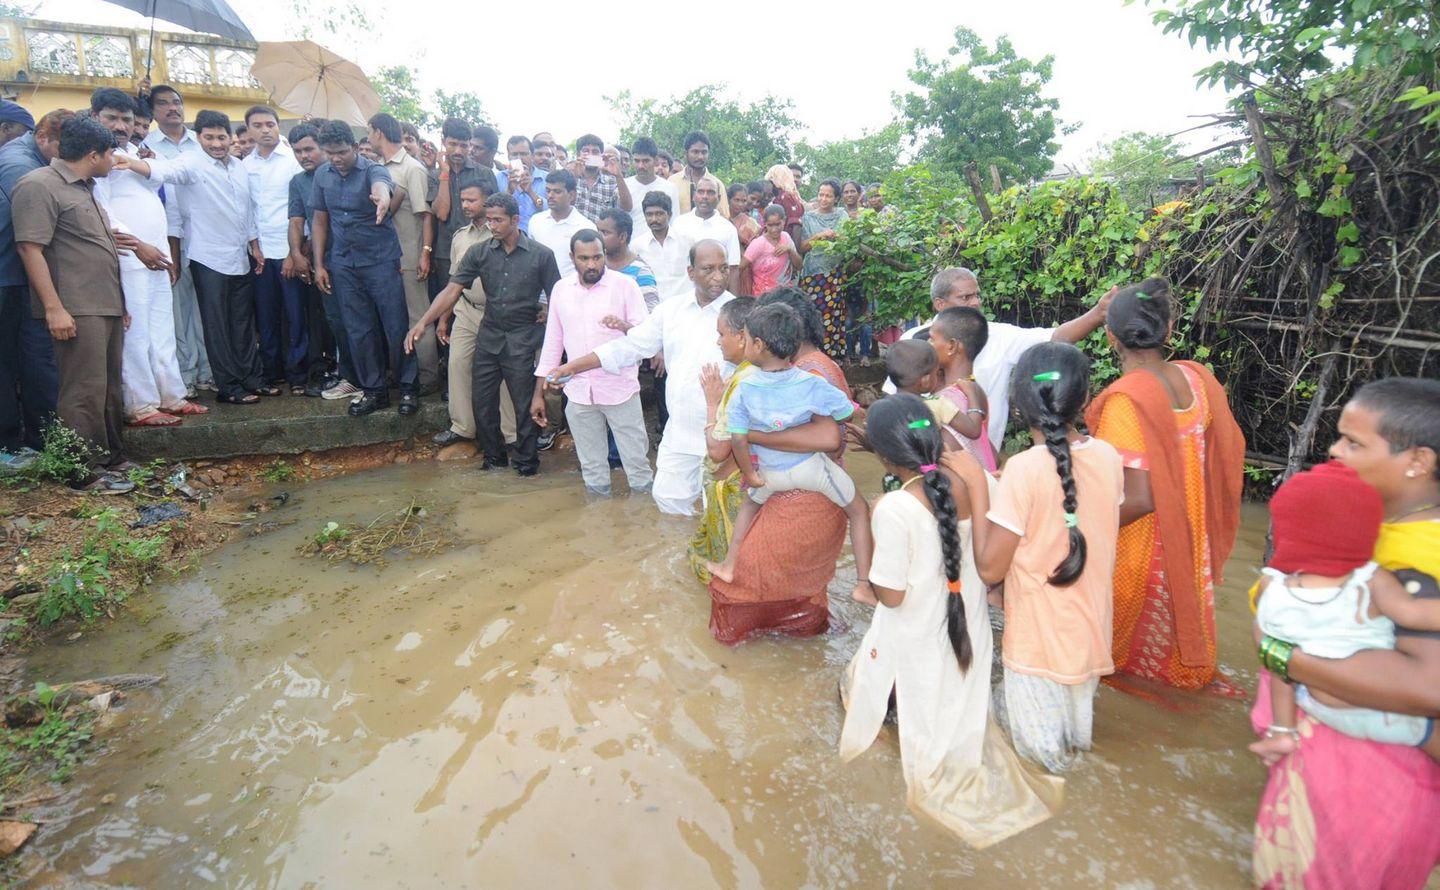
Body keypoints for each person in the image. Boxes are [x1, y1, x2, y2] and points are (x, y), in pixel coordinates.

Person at [839, 392, 1063, 847]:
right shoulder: (981, 484)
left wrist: (866, 585)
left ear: (883, 455)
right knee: (953, 710)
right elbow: (989, 560)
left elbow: (893, 597)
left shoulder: (894, 508)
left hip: (914, 635)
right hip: (969, 630)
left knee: (866, 694)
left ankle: (887, 740)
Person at [1251, 378, 1440, 888]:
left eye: (1354, 443)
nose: (1334, 451)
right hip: (1335, 756)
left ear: (1418, 461)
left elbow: (1428, 687)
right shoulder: (1369, 526)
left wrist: (1281, 655)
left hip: (1375, 783)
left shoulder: (1423, 555)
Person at [948, 342, 1123, 772]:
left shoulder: (1025, 469)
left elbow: (990, 568)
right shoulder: (1108, 456)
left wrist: (976, 482)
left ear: (1017, 403)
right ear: (1085, 397)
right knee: (1073, 755)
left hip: (1037, 650)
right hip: (1089, 642)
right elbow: (1068, 510)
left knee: (1038, 769)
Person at [1088, 278, 1245, 692]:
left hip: (1141, 540)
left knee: (1117, 667)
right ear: (1169, 330)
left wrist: (1077, 527)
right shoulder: (1196, 379)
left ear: (1110, 336)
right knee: (1172, 659)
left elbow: (1140, 497)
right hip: (1189, 534)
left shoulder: (1126, 398)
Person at [1249, 461, 1440, 764]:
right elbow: (1412, 613)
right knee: (1432, 733)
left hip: (1315, 702)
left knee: (1279, 661)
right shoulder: (1371, 577)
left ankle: (1282, 732)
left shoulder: (1273, 586)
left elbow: (1269, 645)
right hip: (1373, 711)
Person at [706, 286, 855, 643]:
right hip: (796, 490)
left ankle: (751, 659)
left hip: (804, 497)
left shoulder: (811, 372)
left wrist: (753, 436)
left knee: (742, 584)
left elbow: (829, 439)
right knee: (787, 589)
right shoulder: (791, 371)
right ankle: (803, 650)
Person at [546, 240, 733, 514]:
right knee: (668, 502)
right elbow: (629, 346)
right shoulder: (671, 311)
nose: (718, 276)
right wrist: (574, 367)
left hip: (723, 432)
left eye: (723, 268)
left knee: (719, 511)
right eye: (709, 269)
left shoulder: (740, 314)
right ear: (691, 272)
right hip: (679, 433)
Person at [12, 116, 136, 493]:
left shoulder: (84, 187)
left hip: (104, 303)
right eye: (112, 151)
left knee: (108, 386)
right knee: (82, 389)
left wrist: (121, 303)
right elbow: (29, 248)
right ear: (93, 154)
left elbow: (94, 249)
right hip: (75, 306)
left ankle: (110, 457)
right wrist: (53, 308)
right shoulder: (38, 186)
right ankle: (79, 470)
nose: (115, 159)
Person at [407, 192, 560, 475]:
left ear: (515, 220)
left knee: (523, 403)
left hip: (523, 338)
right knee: (483, 402)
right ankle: (493, 460)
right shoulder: (479, 252)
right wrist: (423, 322)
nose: (492, 225)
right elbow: (452, 290)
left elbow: (559, 299)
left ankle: (527, 465)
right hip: (489, 337)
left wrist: (551, 321)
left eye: (498, 220)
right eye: (489, 220)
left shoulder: (542, 256)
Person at [884, 267, 1114, 451]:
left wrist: (1098, 313)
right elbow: (894, 400)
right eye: (965, 297)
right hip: (926, 461)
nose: (975, 302)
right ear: (940, 304)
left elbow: (1056, 337)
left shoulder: (997, 335)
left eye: (976, 295)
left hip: (984, 461)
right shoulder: (912, 339)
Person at [89, 89, 205, 428]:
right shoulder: (95, 156)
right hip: (128, 255)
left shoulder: (133, 152)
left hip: (156, 254)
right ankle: (140, 405)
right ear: (95, 116)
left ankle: (171, 395)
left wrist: (140, 162)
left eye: (127, 119)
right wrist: (139, 245)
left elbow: (185, 171)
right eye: (113, 118)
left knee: (162, 328)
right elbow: (102, 213)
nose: (121, 126)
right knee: (136, 333)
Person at [532, 230, 653, 496]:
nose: (591, 264)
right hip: (578, 393)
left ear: (604, 255)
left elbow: (645, 339)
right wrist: (538, 393)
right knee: (592, 467)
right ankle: (600, 524)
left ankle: (644, 521)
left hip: (620, 389)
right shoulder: (561, 290)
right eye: (584, 258)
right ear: (572, 258)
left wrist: (623, 326)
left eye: (597, 257)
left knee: (637, 464)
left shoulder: (625, 286)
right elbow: (553, 343)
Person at [310, 120, 418, 417]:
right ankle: (374, 391)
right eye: (330, 153)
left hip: (380, 261)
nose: (336, 158)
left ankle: (408, 388)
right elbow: (320, 220)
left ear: (356, 147)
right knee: (358, 330)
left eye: (342, 152)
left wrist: (381, 199)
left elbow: (383, 186)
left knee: (395, 325)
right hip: (343, 264)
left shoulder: (373, 169)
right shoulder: (322, 175)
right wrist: (319, 264)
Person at [166, 110, 273, 406]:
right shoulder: (190, 163)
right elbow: (166, 174)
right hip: (207, 258)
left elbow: (247, 210)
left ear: (231, 137)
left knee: (242, 322)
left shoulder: (239, 167)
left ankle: (253, 378)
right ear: (198, 138)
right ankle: (229, 387)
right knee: (217, 326)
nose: (216, 143)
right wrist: (133, 162)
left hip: (239, 256)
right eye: (209, 137)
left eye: (221, 136)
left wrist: (255, 246)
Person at [428, 183, 517, 451]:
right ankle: (463, 427)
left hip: (497, 314)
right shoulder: (459, 237)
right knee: (457, 364)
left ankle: (511, 433)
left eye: (472, 200)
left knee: (504, 372)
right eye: (463, 200)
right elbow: (453, 284)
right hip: (466, 310)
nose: (466, 205)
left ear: (487, 201)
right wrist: (444, 319)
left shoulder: (502, 235)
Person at [0, 108, 66, 455]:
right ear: (40, 137)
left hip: (17, 274)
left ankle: (32, 438)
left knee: (27, 359)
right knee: (11, 362)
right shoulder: (18, 165)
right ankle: (10, 445)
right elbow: (38, 224)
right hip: (8, 275)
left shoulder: (28, 156)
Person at [143, 84, 213, 397]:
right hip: (165, 240)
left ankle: (208, 372)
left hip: (205, 237)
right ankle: (185, 373)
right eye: (163, 103)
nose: (172, 108)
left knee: (205, 309)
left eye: (176, 102)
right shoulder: (145, 146)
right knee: (177, 310)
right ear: (152, 111)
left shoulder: (201, 143)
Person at [285, 121, 356, 401]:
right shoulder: (298, 182)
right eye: (298, 151)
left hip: (350, 259)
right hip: (321, 264)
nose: (304, 156)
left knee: (356, 321)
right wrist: (297, 254)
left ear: (323, 148)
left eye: (310, 149)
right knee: (332, 321)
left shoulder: (341, 174)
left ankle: (363, 375)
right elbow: (296, 220)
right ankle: (341, 374)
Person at [689, 296, 759, 580]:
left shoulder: (741, 382)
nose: (718, 342)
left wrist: (712, 403)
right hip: (763, 484)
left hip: (738, 489)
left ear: (742, 338)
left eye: (721, 334)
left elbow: (718, 451)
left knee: (728, 569)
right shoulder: (765, 371)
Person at [369, 113, 437, 394]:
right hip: (385, 256)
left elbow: (425, 216)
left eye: (370, 133)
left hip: (409, 255)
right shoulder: (377, 169)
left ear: (377, 133)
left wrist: (425, 253)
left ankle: (429, 377)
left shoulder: (412, 168)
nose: (369, 139)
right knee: (394, 319)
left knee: (417, 315)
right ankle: (405, 375)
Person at [241, 105, 307, 394]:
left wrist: (296, 253)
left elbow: (301, 212)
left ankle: (299, 375)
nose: (265, 130)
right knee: (265, 317)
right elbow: (247, 211)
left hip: (289, 251)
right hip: (260, 254)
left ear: (278, 126)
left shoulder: (293, 161)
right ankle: (272, 371)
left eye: (270, 124)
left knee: (296, 316)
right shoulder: (244, 166)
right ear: (249, 130)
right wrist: (254, 245)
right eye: (258, 125)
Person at [431, 119, 499, 301]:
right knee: (447, 305)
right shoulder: (435, 175)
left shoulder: (484, 173)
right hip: (447, 252)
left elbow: (496, 212)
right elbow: (442, 213)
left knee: (479, 301)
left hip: (483, 249)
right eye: (452, 144)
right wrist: (444, 174)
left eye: (464, 145)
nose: (458, 151)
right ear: (443, 142)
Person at [928, 307, 997, 471]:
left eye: (931, 339)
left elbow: (945, 460)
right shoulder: (974, 389)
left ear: (952, 346)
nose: (928, 345)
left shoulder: (949, 399)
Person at [798, 178, 852, 358]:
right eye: (821, 194)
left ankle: (832, 356)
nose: (824, 199)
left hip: (835, 274)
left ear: (836, 198)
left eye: (828, 196)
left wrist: (837, 237)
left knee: (835, 315)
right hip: (813, 276)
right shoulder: (808, 217)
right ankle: (812, 355)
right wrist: (820, 236)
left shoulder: (842, 215)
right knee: (813, 315)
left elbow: (849, 242)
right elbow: (803, 247)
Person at [671, 176, 740, 294]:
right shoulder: (679, 224)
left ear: (718, 198)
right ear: (694, 196)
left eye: (710, 192)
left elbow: (733, 269)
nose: (705, 196)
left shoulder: (728, 229)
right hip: (681, 295)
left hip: (713, 297)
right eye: (701, 192)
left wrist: (733, 305)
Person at [528, 170, 596, 279]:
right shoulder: (535, 221)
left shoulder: (585, 227)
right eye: (548, 190)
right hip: (538, 291)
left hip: (572, 291)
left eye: (557, 191)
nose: (550, 195)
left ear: (572, 195)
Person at [633, 191, 691, 302]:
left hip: (683, 305)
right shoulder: (637, 246)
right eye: (649, 214)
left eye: (659, 214)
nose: (654, 219)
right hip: (652, 307)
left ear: (669, 215)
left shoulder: (687, 242)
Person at [740, 204, 799, 296]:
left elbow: (799, 266)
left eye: (778, 224)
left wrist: (790, 249)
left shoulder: (786, 237)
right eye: (770, 225)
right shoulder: (758, 244)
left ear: (784, 221)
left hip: (784, 293)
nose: (774, 229)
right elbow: (740, 268)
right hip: (763, 296)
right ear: (765, 224)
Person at [625, 137, 679, 236]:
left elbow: (674, 223)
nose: (640, 166)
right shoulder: (624, 186)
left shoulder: (670, 188)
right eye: (637, 161)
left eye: (645, 161)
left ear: (655, 160)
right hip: (631, 247)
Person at [668, 130, 729, 216]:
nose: (700, 157)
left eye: (704, 152)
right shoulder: (672, 182)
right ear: (685, 153)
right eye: (695, 152)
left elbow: (723, 217)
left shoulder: (717, 184)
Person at [571, 134, 630, 219]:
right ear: (578, 154)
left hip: (599, 231)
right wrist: (574, 178)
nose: (590, 155)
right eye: (586, 151)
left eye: (595, 152)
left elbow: (627, 208)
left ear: (601, 155)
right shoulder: (568, 178)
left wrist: (618, 175)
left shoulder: (611, 182)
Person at [497, 135, 547, 233]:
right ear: (508, 157)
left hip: (536, 237)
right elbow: (496, 211)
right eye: (514, 154)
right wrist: (509, 191)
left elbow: (546, 209)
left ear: (532, 156)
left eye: (524, 154)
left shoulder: (545, 178)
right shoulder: (499, 178)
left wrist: (531, 192)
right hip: (508, 236)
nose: (519, 158)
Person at [763, 164, 805, 244]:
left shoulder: (786, 197)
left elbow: (795, 224)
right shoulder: (778, 196)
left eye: (772, 177)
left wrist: (795, 250)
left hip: (785, 243)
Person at [727, 184, 761, 251]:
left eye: (744, 201)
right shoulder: (720, 217)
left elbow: (754, 250)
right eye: (737, 200)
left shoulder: (751, 223)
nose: (740, 204)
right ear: (728, 199)